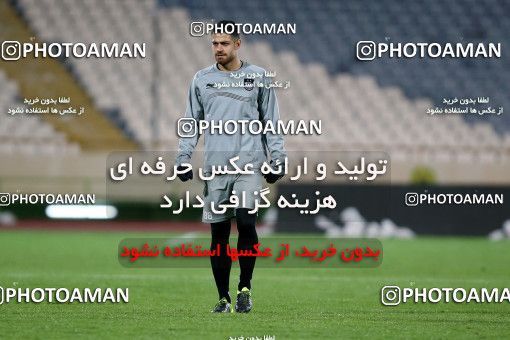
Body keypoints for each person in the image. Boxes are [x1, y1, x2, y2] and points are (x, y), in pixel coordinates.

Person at [175, 20, 286, 313]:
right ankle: (223, 297)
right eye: (214, 43)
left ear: (238, 44)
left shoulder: (259, 77)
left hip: (248, 166)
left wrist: (278, 160)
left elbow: (271, 123)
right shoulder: (201, 80)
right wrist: (182, 159)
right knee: (219, 235)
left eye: (224, 43)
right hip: (215, 169)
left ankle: (245, 288)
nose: (218, 49)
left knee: (247, 223)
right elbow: (191, 123)